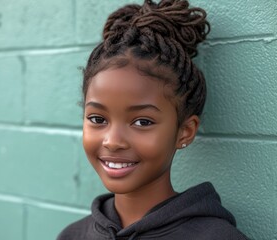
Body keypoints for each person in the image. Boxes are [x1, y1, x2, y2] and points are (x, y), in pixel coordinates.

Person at [58, 0, 248, 239]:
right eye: (98, 118)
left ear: (185, 132)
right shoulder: (73, 235)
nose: (113, 141)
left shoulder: (217, 237)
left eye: (142, 122)